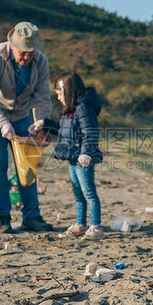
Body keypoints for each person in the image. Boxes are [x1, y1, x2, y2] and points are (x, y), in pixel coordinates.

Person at [0, 21, 54, 234]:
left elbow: (42, 96)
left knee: (27, 166)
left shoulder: (41, 62)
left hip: (21, 117)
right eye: (23, 52)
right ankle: (2, 217)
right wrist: (2, 124)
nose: (28, 56)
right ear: (12, 44)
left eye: (32, 52)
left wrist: (42, 123)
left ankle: (32, 216)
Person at [46, 72, 105, 240]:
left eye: (59, 94)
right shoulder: (69, 111)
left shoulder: (84, 108)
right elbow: (64, 131)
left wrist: (86, 152)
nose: (58, 98)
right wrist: (44, 124)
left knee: (89, 193)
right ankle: (81, 224)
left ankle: (96, 226)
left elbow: (90, 132)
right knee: (78, 193)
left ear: (69, 91)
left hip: (83, 160)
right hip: (73, 158)